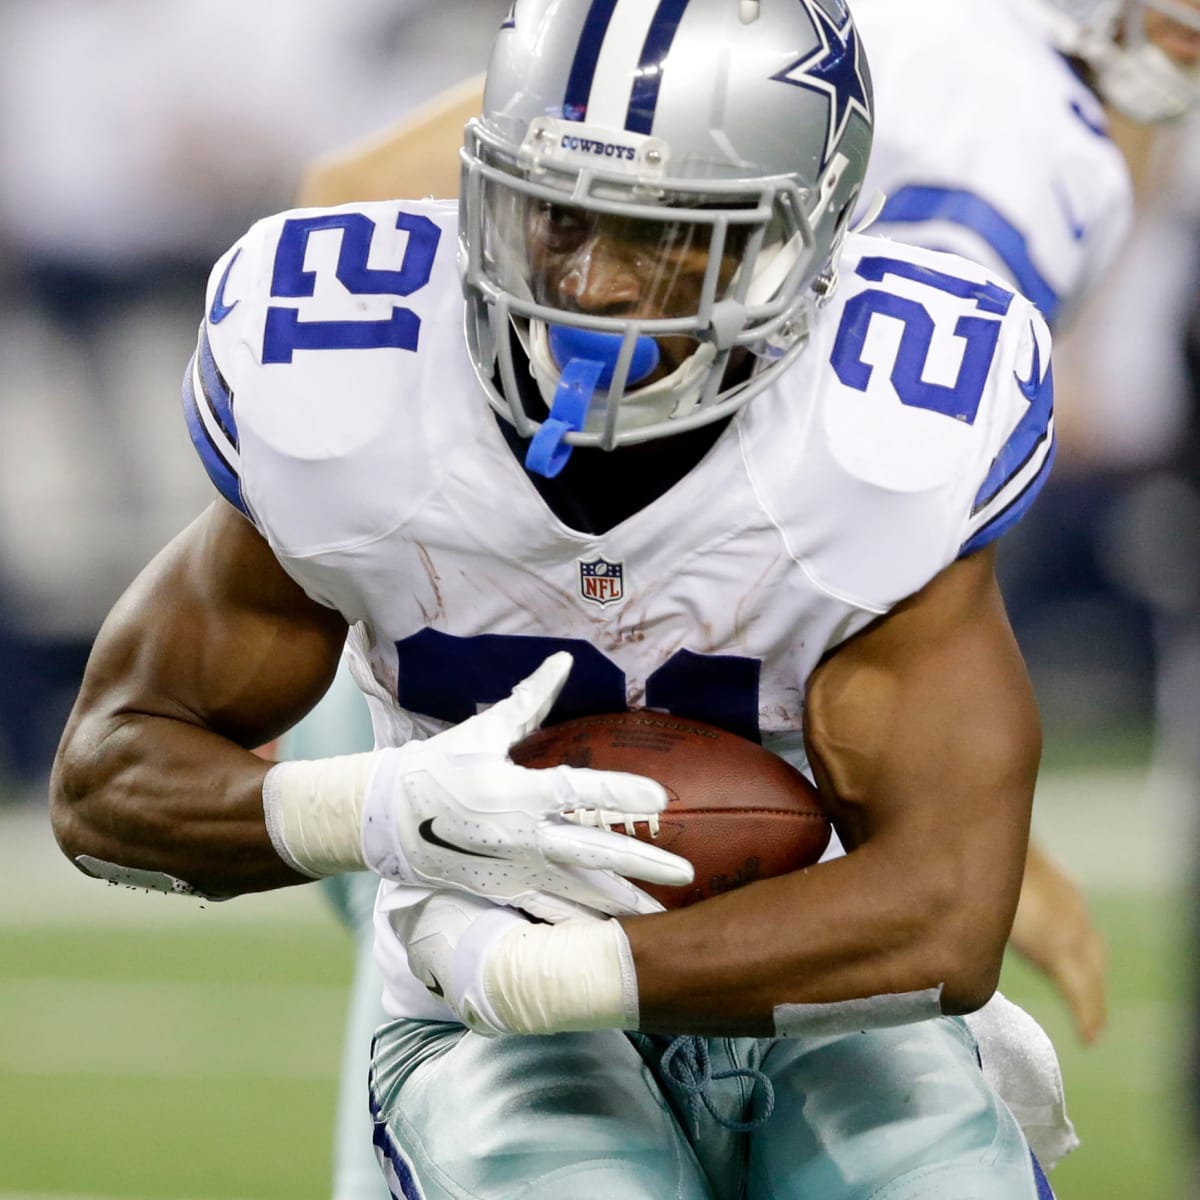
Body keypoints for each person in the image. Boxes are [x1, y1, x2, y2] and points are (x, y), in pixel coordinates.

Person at [49, 0, 1077, 1196]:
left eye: (665, 238)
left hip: (799, 971)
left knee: (927, 1174)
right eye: (556, 215)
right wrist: (380, 811)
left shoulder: (884, 427)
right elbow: (108, 777)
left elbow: (944, 909)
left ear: (808, 242)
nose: (588, 285)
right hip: (473, 1007)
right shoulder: (354, 378)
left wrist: (568, 971)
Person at [293, 0, 1200, 1061]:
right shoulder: (1004, 118)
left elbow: (347, 193)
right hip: (567, 683)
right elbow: (886, 509)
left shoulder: (879, 40)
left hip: (465, 640)